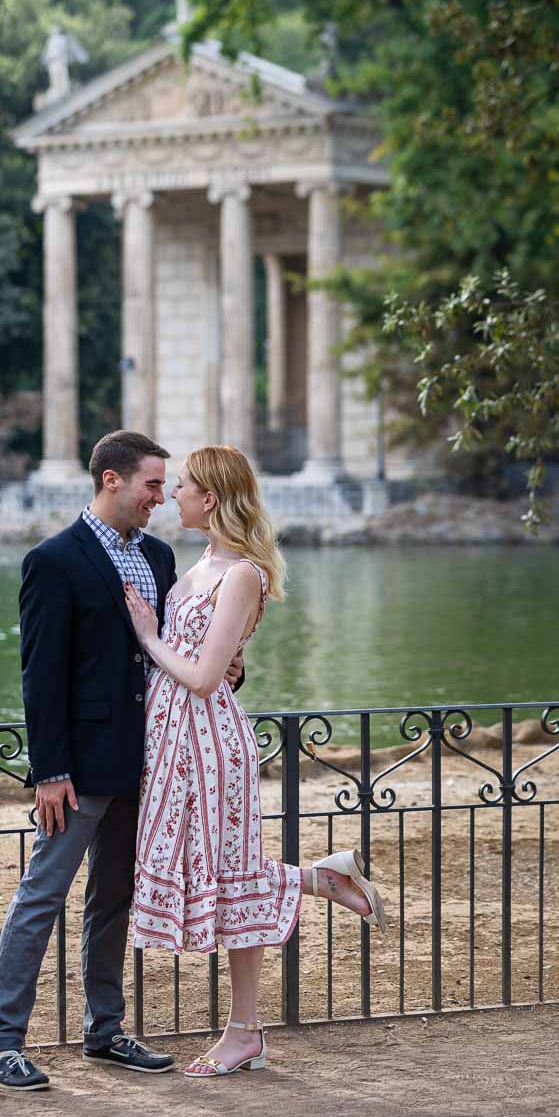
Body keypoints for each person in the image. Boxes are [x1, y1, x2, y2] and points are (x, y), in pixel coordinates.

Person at [0, 431, 244, 1091]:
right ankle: (1, 1040)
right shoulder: (53, 560)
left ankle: (105, 1030)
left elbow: (181, 649)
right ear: (110, 481)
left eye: (164, 485)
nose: (163, 496)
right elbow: (41, 677)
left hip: (150, 764)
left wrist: (231, 670)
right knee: (42, 896)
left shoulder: (158, 555)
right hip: (78, 771)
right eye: (153, 484)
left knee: (113, 901)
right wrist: (50, 771)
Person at [124, 445, 387, 1079]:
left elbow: (209, 675)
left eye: (183, 486)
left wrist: (149, 637)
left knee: (231, 877)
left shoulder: (240, 573)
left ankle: (244, 1032)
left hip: (209, 741)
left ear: (210, 498)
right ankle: (320, 880)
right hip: (175, 740)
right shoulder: (200, 563)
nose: (172, 496)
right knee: (214, 872)